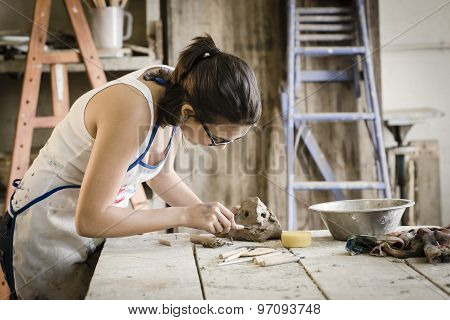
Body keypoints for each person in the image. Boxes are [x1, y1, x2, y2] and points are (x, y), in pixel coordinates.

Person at [0, 34, 261, 299]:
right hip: (48, 229)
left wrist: (210, 217)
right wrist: (186, 216)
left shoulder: (182, 87)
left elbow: (162, 176)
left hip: (95, 225)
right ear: (187, 112)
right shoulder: (132, 109)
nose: (222, 148)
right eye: (218, 138)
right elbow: (90, 219)